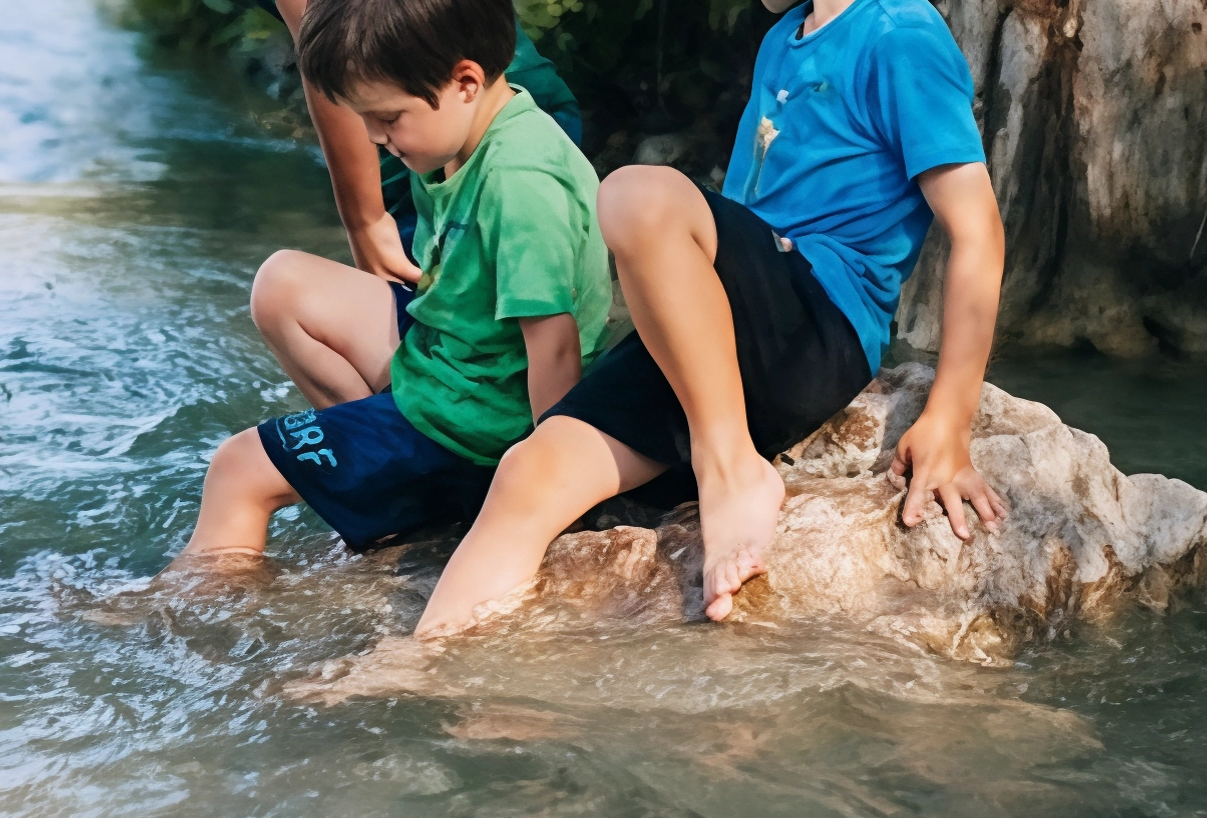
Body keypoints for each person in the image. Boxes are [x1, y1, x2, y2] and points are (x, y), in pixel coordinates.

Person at [408, 0, 1009, 637]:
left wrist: (950, 417)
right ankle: (417, 663)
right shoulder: (784, 37)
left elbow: (978, 235)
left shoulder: (900, 31)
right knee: (528, 472)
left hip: (814, 326)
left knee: (635, 195)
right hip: (725, 345)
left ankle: (730, 469)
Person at [152, 0, 612, 585]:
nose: (374, 136)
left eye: (388, 118)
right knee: (282, 282)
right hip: (455, 368)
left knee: (239, 470)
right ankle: (394, 494)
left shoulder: (520, 184)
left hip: (477, 421)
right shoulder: (469, 136)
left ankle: (185, 613)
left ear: (465, 81)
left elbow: (554, 346)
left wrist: (549, 497)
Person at [242, 0, 582, 411]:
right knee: (450, 312)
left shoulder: (500, 160)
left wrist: (365, 220)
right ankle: (402, 433)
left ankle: (484, 444)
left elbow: (337, 63)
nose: (373, 134)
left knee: (487, 317)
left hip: (444, 99)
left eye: (380, 122)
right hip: (444, 88)